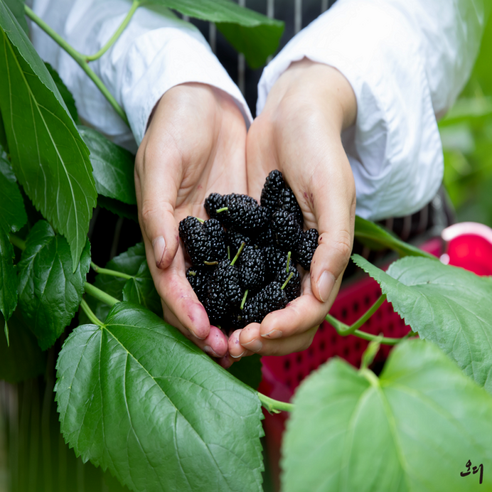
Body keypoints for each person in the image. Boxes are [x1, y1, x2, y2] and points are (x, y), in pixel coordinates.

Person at [30, 0, 487, 366]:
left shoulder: (267, 235)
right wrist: (163, 76)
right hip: (113, 242)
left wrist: (325, 87)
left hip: (372, 245)